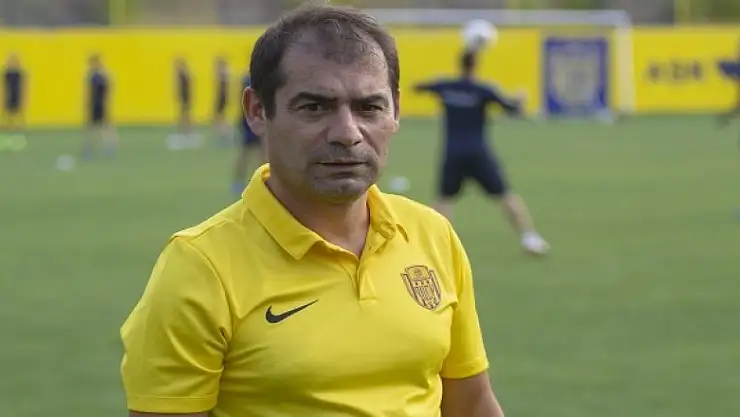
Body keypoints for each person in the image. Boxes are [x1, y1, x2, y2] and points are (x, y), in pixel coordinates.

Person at [120, 5, 505, 417]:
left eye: (369, 107)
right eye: (315, 107)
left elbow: (472, 404)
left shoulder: (432, 234)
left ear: (395, 110)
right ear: (257, 111)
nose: (347, 134)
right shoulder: (200, 268)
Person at [415, 50, 550, 256]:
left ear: (459, 64)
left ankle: (436, 246)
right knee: (505, 194)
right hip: (478, 152)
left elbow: (418, 87)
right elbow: (511, 109)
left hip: (452, 153)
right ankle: (529, 238)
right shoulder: (482, 90)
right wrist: (520, 100)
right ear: (476, 65)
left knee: (444, 199)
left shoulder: (446, 87)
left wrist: (433, 82)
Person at [231, 71, 265, 195]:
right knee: (248, 153)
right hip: (253, 120)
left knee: (257, 152)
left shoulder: (252, 78)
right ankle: (239, 182)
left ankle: (256, 182)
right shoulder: (254, 79)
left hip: (253, 119)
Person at [82, 54, 117, 159]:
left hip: (100, 106)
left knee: (104, 128)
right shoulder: (94, 76)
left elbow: (106, 91)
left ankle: (108, 149)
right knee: (92, 129)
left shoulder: (100, 77)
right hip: (95, 106)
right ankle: (89, 149)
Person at [3, 54, 25, 133]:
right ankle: (7, 125)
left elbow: (21, 84)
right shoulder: (7, 74)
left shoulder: (18, 74)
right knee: (8, 110)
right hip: (9, 94)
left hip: (16, 93)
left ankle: (19, 124)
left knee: (18, 110)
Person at [213, 56, 232, 146]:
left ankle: (225, 133)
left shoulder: (223, 73)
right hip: (222, 97)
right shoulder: (224, 73)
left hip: (222, 97)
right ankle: (224, 133)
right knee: (220, 116)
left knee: (221, 117)